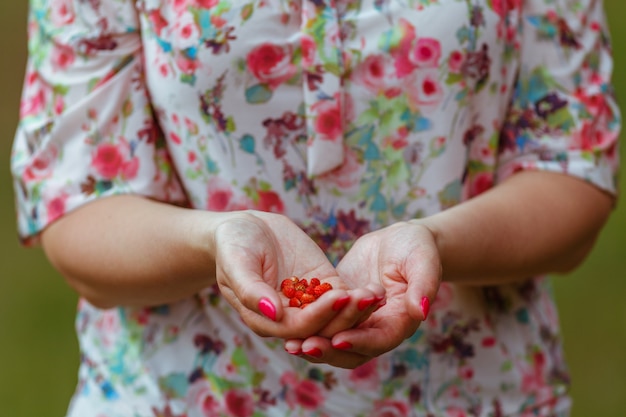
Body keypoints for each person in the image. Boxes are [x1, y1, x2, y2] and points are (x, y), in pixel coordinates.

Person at [10, 0, 620, 415]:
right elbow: (78, 208)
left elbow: (570, 168)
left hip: (473, 395)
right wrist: (220, 239)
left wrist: (435, 243)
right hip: (175, 398)